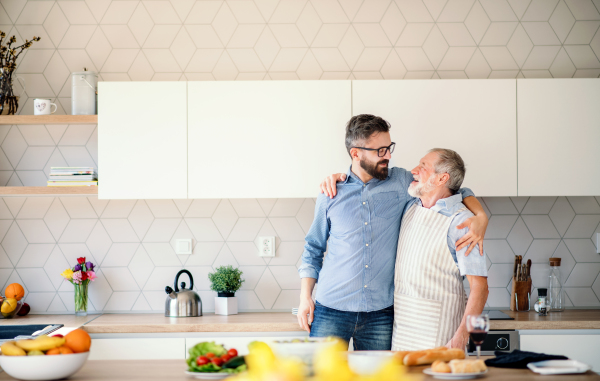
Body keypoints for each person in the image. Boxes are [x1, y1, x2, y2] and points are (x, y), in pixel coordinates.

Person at [297, 114, 488, 350]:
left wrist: (481, 216)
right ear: (356, 153)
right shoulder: (331, 193)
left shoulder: (402, 182)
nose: (388, 156)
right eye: (380, 151)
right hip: (331, 308)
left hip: (380, 314)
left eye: (389, 148)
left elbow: (450, 186)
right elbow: (313, 248)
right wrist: (306, 296)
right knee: (322, 376)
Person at [392, 148, 488, 351]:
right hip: (402, 330)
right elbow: (465, 191)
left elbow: (480, 288)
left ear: (442, 178)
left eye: (423, 166)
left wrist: (461, 337)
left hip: (439, 334)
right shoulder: (411, 206)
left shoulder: (462, 223)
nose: (414, 170)